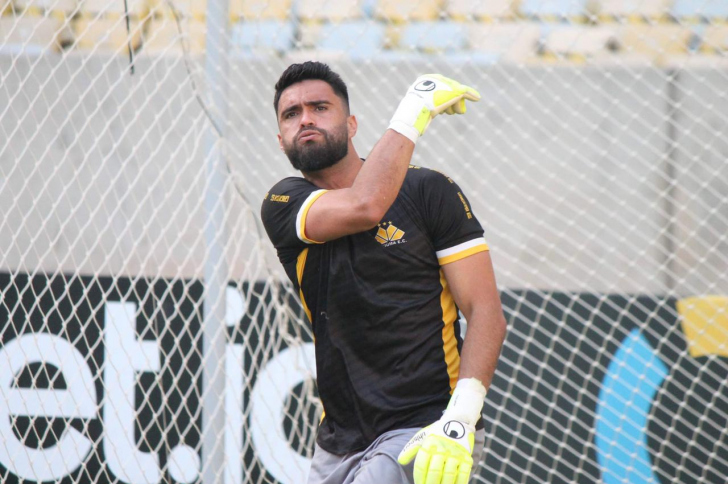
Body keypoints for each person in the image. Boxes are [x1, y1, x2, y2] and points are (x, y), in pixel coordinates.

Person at [260, 61, 507, 484]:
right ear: (281, 141)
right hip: (337, 444)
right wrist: (416, 108)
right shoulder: (284, 202)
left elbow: (485, 311)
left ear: (352, 124)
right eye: (291, 113)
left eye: (320, 107)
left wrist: (460, 420)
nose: (305, 119)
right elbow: (365, 205)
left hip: (428, 430)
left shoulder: (429, 190)